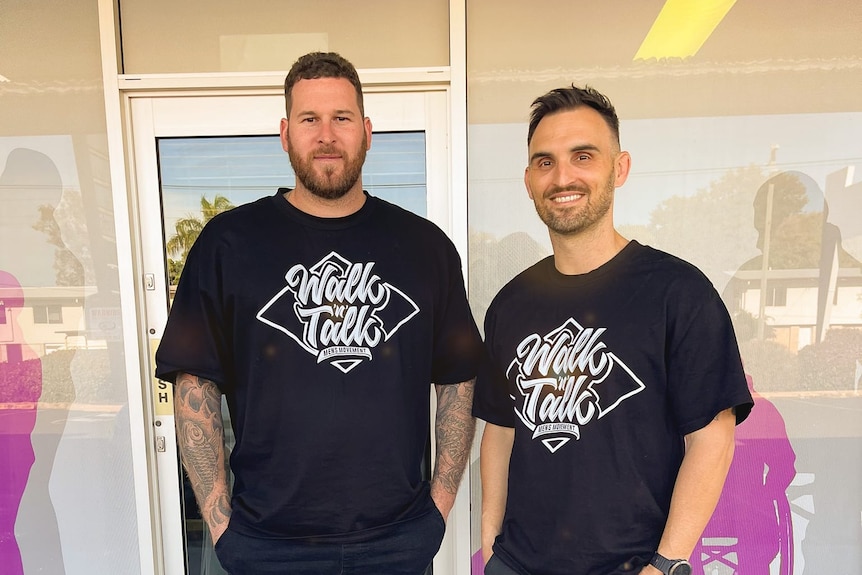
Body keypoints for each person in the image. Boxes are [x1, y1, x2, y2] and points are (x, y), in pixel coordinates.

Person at [155, 51, 482, 575]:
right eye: (310, 119)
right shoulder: (228, 244)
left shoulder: (425, 248)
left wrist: (437, 509)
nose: (326, 135)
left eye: (342, 118)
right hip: (265, 543)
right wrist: (221, 526)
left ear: (367, 131)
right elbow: (194, 381)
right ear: (285, 133)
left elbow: (459, 381)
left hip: (397, 540)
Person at [472, 85, 754, 575]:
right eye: (545, 162)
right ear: (528, 179)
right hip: (519, 563)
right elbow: (499, 430)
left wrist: (666, 563)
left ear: (619, 168)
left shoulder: (678, 293)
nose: (563, 177)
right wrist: (491, 542)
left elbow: (713, 438)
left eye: (583, 156)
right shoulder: (510, 304)